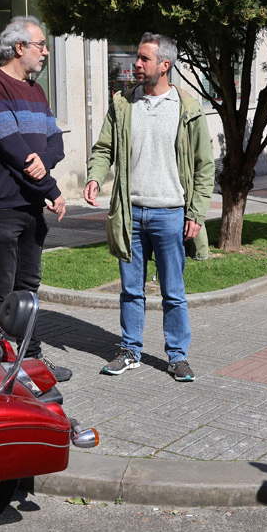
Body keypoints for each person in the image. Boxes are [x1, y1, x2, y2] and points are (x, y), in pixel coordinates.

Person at [83, 32, 214, 382]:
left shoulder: (188, 109)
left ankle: (178, 357)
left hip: (171, 214)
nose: (136, 64)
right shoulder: (123, 104)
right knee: (130, 290)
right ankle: (130, 350)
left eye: (144, 59)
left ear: (164, 65)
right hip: (130, 213)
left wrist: (196, 213)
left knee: (174, 292)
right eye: (137, 58)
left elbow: (204, 165)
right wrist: (95, 177)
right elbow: (104, 149)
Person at [0, 16, 72, 382]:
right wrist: (52, 189)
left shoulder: (36, 91)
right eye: (40, 44)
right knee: (2, 287)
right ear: (19, 48)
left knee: (27, 287)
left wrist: (43, 163)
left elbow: (55, 141)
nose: (45, 51)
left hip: (29, 205)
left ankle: (30, 359)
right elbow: (12, 149)